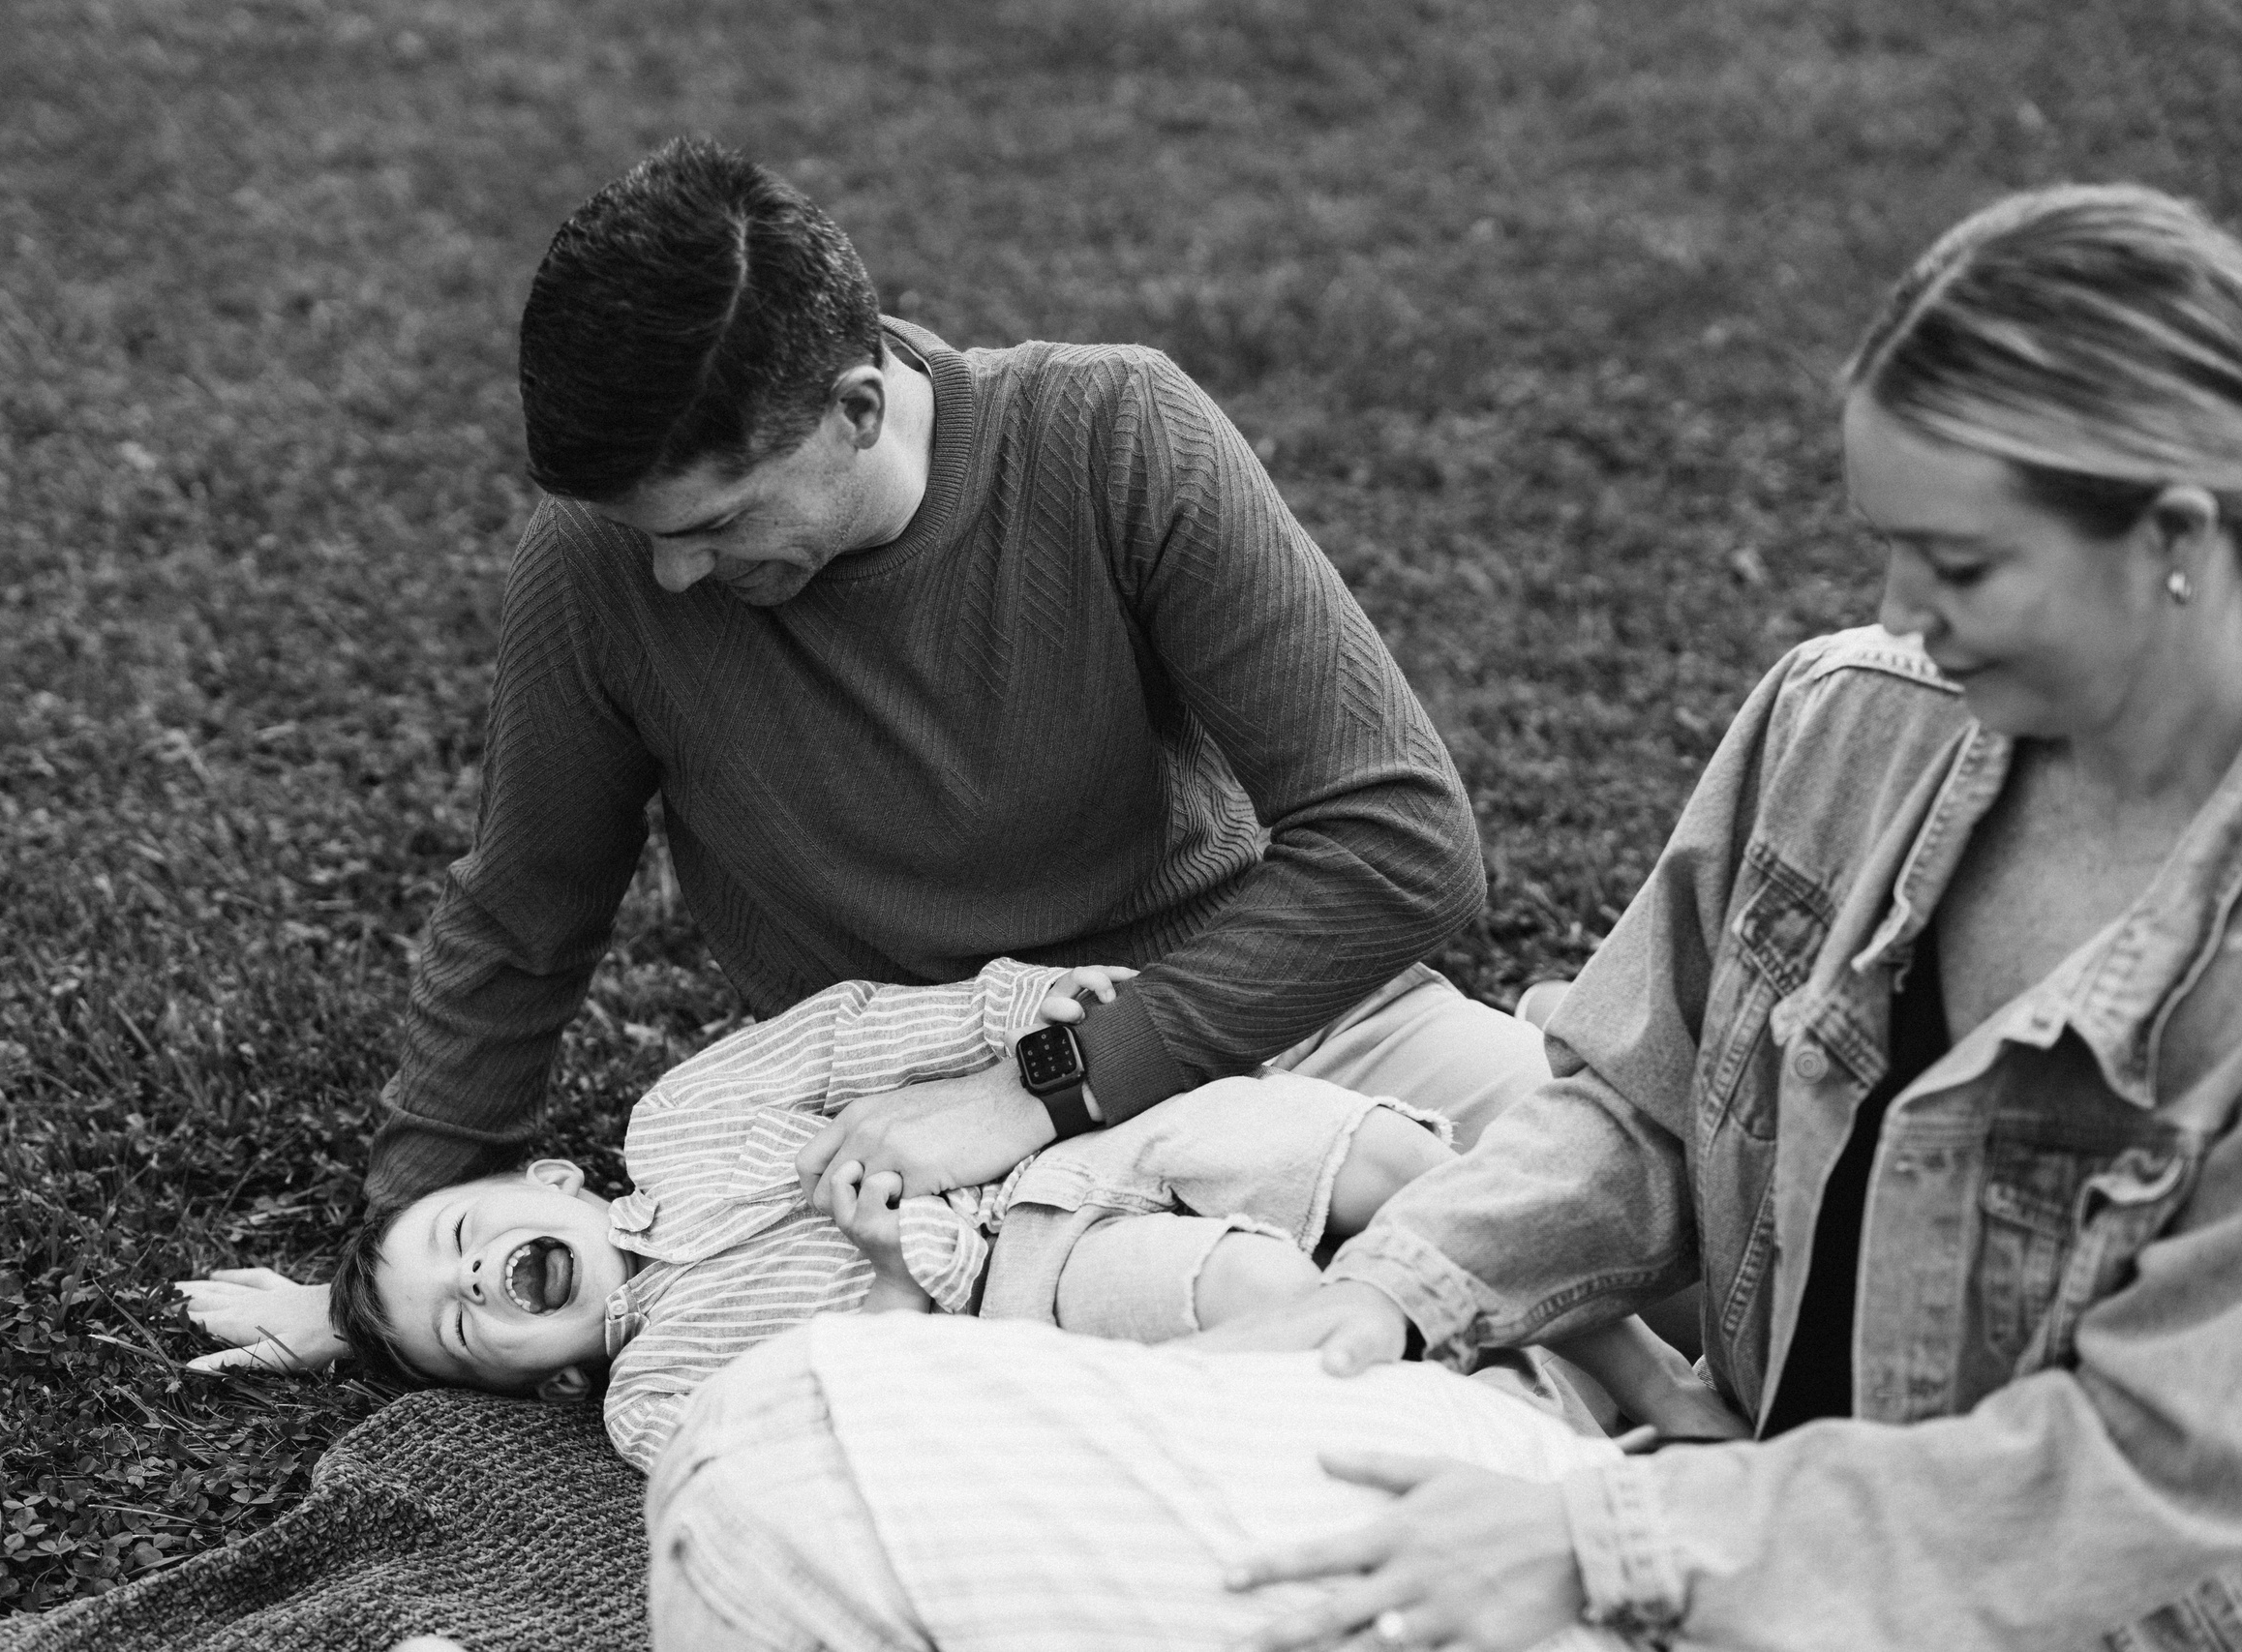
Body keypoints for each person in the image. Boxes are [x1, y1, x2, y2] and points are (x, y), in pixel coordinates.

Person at [643, 181, 2242, 1651]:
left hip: (1935, 1602)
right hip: (1679, 1500)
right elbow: (1630, 1105)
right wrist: (1383, 1294)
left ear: (2172, 539)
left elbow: (2131, 1486)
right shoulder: (1850, 723)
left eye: (1958, 562)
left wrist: (1600, 1540)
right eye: (1886, 547)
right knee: (778, 1451)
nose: (1900, 612)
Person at [181, 135, 1550, 1373]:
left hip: (1262, 1011)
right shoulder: (598, 565)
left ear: (855, 406)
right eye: (644, 530)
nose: (669, 577)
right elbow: (525, 911)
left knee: (1636, 1192)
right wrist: (391, 1271)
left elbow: (1403, 844)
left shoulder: (1113, 437)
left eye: (714, 523)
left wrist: (1043, 1087)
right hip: (910, 1166)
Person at [323, 959, 1739, 1471]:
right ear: (538, 1375)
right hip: (1022, 1290)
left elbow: (844, 1035)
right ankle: (1559, 1451)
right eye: (464, 1330)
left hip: (1082, 1142)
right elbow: (859, 1422)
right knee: (1252, 1294)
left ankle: (1637, 1371)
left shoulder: (679, 1122)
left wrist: (1015, 1016)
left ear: (547, 1184)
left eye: (461, 1238)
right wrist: (885, 1277)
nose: (476, 1282)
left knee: (1343, 1141)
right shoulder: (653, 1396)